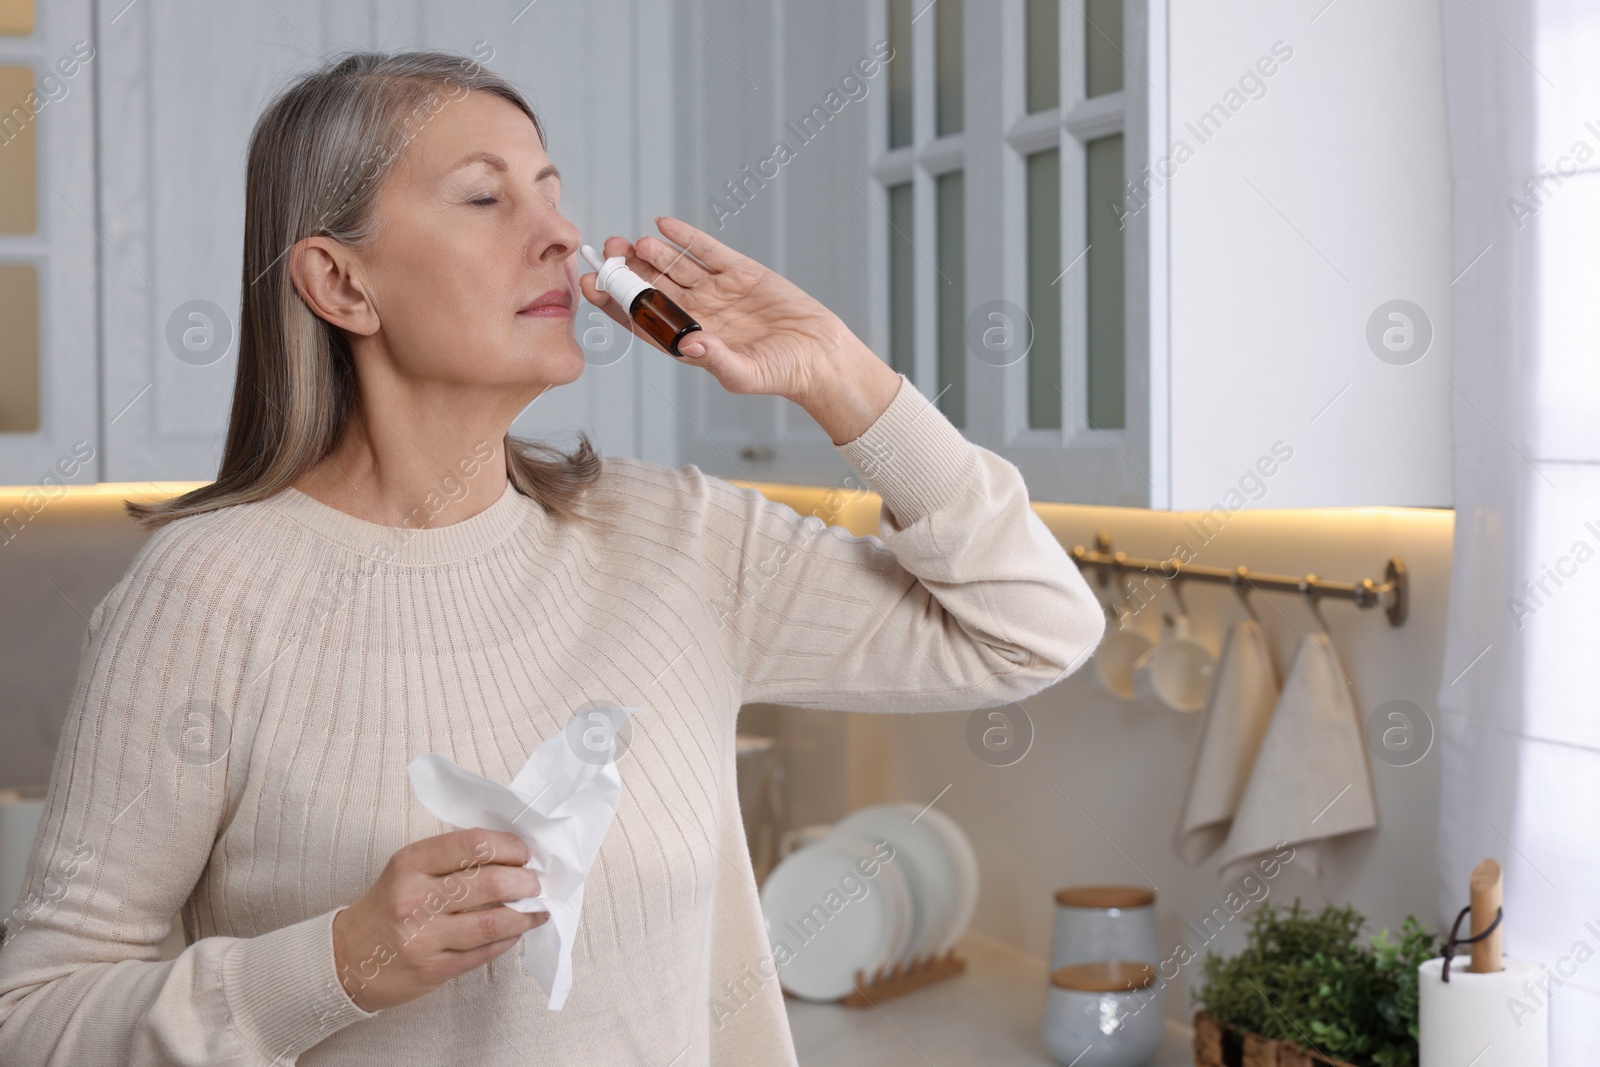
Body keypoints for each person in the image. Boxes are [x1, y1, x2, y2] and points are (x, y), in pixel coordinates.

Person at [0, 50, 1104, 1066]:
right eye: (486, 198)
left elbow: (1032, 627)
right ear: (341, 285)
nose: (561, 241)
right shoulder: (204, 595)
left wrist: (841, 377)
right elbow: (37, 1015)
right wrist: (336, 964)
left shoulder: (678, 539)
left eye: (551, 193)